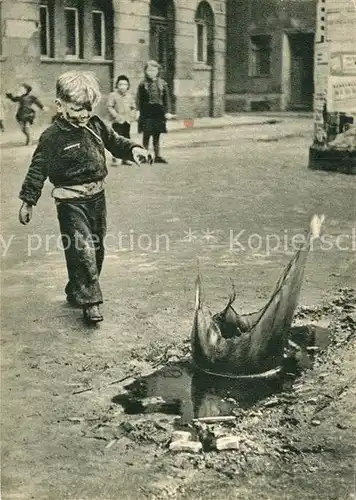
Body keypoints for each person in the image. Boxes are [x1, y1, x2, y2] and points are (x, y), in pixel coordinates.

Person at [18, 70, 150, 323]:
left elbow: (115, 141)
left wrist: (134, 149)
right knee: (82, 249)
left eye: (88, 109)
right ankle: (91, 301)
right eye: (77, 109)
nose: (83, 115)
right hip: (70, 202)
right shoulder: (52, 137)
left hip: (97, 199)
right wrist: (28, 200)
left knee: (97, 249)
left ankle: (77, 288)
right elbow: (38, 168)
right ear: (60, 105)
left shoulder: (96, 125)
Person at [136, 60, 174, 164]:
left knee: (156, 135)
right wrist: (138, 110)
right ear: (145, 71)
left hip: (158, 112)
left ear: (158, 71)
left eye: (154, 70)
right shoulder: (142, 84)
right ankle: (144, 156)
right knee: (146, 134)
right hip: (146, 112)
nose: (151, 72)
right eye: (149, 70)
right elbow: (139, 99)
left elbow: (167, 99)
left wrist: (168, 111)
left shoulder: (162, 83)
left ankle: (157, 156)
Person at [107, 74, 137, 166]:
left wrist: (132, 116)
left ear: (128, 86)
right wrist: (115, 115)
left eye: (125, 84)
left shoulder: (130, 96)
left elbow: (133, 107)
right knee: (116, 140)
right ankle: (116, 158)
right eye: (120, 84)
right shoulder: (113, 95)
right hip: (117, 121)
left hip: (126, 121)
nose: (123, 87)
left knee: (126, 139)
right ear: (117, 85)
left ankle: (126, 158)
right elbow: (109, 106)